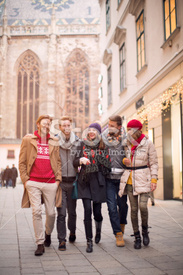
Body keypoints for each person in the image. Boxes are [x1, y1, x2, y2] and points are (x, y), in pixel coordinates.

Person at [19, 115, 62, 256]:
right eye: (44, 123)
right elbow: (22, 161)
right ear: (38, 124)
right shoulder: (28, 140)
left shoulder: (54, 141)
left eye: (49, 124)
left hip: (50, 183)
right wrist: (26, 180)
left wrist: (57, 181)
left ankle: (48, 233)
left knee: (51, 213)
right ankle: (40, 243)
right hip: (33, 182)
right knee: (36, 211)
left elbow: (58, 161)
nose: (46, 125)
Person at [119, 119, 158, 249]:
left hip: (144, 178)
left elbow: (153, 163)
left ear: (137, 130)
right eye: (128, 129)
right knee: (134, 209)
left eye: (131, 129)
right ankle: (137, 236)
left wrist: (154, 179)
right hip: (130, 178)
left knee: (142, 206)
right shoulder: (126, 143)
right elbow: (121, 158)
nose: (129, 132)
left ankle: (145, 231)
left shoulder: (148, 144)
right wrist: (124, 160)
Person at [73, 123, 111, 253]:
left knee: (97, 211)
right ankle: (89, 241)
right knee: (87, 210)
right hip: (84, 181)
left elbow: (108, 166)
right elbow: (74, 161)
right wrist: (80, 160)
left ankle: (98, 231)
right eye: (89, 129)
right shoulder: (82, 145)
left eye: (94, 130)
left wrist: (98, 158)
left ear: (98, 132)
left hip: (98, 181)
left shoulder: (103, 146)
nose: (91, 132)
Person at [102, 115, 128, 247]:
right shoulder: (104, 137)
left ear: (119, 126)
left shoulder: (126, 139)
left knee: (122, 206)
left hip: (122, 180)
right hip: (109, 179)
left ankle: (122, 224)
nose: (109, 127)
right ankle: (118, 233)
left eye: (111, 125)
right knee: (112, 207)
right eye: (108, 124)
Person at [56, 116, 80, 251]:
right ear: (60, 127)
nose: (66, 128)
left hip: (73, 181)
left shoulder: (77, 141)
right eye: (64, 125)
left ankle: (72, 231)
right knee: (61, 212)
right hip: (59, 182)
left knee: (72, 211)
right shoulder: (54, 141)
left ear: (71, 126)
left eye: (68, 125)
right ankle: (61, 240)